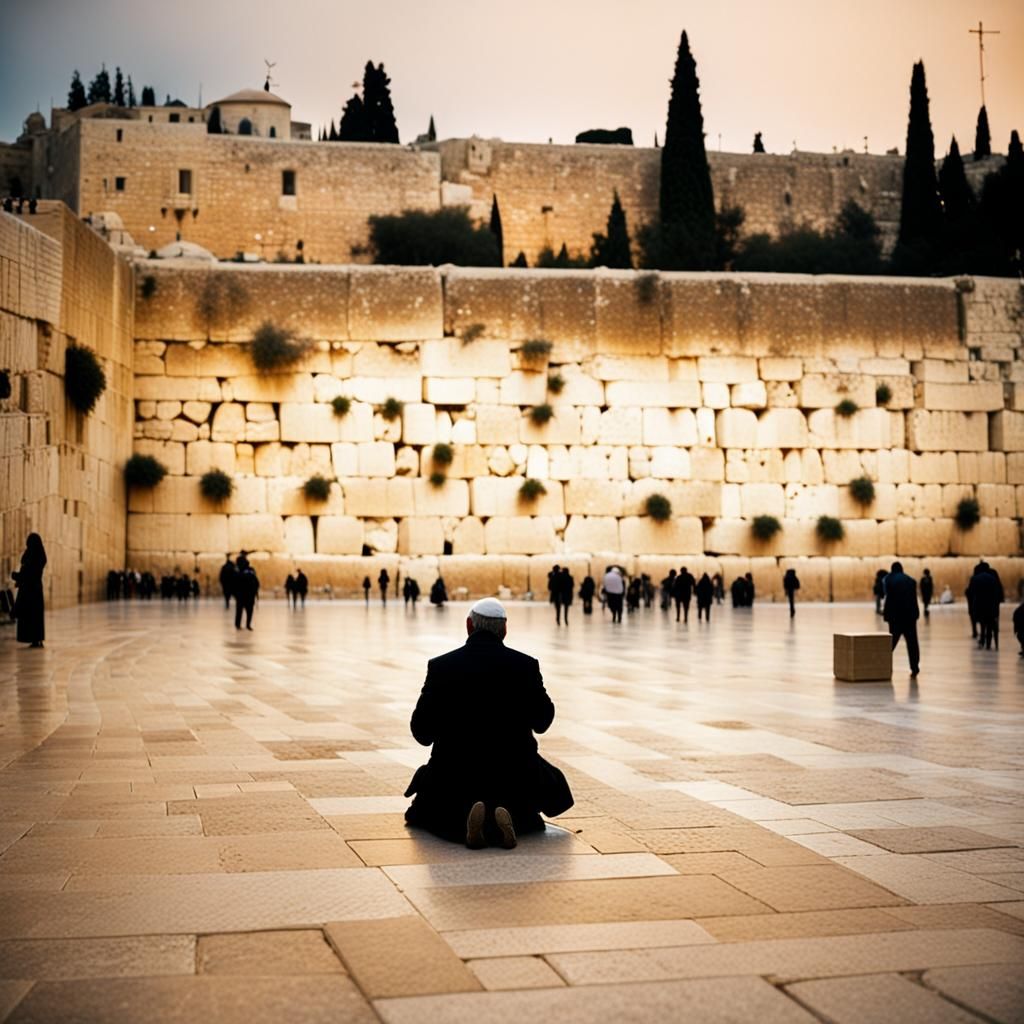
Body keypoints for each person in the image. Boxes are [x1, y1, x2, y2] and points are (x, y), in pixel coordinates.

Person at [404, 598, 574, 849]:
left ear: (469, 625)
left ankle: (469, 822)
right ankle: (506, 820)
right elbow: (543, 721)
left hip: (455, 770)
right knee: (525, 798)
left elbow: (422, 732)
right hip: (514, 770)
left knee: (426, 811)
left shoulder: (442, 667)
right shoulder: (525, 665)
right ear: (504, 629)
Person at [883, 561, 920, 677]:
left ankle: (883, 666)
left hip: (895, 617)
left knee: (891, 643)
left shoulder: (889, 579)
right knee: (912, 643)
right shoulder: (911, 580)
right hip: (910, 616)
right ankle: (915, 667)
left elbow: (886, 593)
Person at [12, 533, 46, 648]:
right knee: (34, 616)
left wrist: (16, 576)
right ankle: (36, 639)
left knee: (32, 615)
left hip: (30, 591)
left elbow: (30, 574)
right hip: (34, 590)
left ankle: (35, 639)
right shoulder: (38, 555)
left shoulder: (34, 556)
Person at [968, 563, 1003, 650]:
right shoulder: (992, 578)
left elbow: (971, 592)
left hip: (979, 605)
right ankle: (988, 641)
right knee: (990, 623)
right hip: (990, 605)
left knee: (983, 624)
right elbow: (996, 591)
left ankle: (983, 639)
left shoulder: (975, 578)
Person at [234, 555, 259, 631]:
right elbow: (256, 582)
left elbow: (255, 581)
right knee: (246, 610)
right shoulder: (249, 570)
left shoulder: (239, 571)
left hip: (244, 594)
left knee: (242, 610)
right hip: (246, 594)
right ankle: (244, 625)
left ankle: (242, 625)